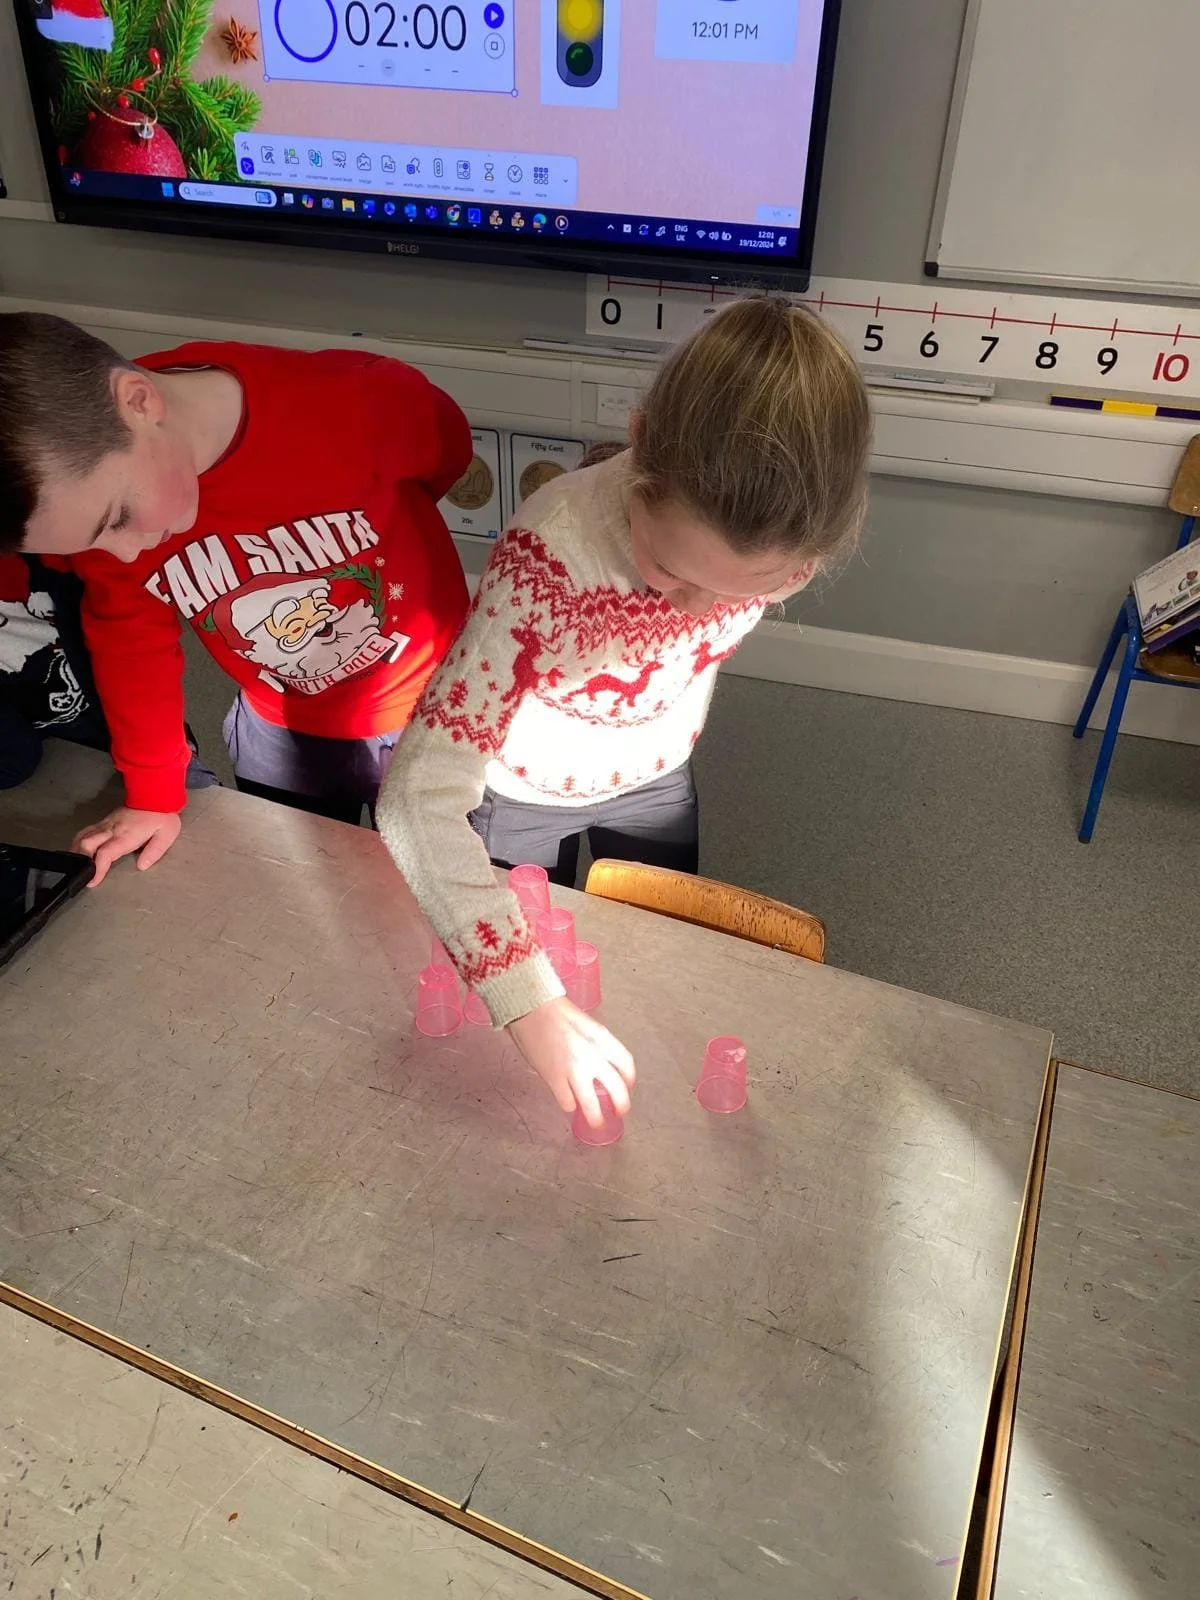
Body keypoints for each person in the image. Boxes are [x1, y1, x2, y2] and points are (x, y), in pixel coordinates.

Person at [377, 297, 871, 1126]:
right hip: (521, 794)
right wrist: (530, 1006)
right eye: (668, 572)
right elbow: (416, 795)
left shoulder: (788, 547)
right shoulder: (553, 552)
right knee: (512, 1021)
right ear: (639, 442)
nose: (693, 609)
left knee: (652, 985)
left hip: (655, 781)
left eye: (740, 592)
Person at [0, 313, 472, 882]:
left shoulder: (361, 401)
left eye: (119, 517)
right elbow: (130, 644)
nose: (123, 554)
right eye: (89, 544)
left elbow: (444, 460)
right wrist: (153, 795)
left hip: (446, 711)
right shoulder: (93, 497)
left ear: (140, 402)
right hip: (279, 723)